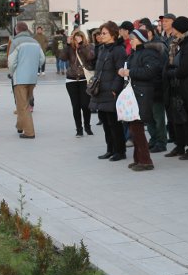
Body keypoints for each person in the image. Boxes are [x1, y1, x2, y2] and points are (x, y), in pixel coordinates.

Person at [117, 28, 162, 171]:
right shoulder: (135, 53)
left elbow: (149, 71)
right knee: (134, 128)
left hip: (143, 93)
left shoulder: (149, 53)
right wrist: (123, 71)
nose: (130, 40)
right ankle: (138, 159)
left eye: (133, 38)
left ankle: (146, 161)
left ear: (141, 39)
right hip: (135, 93)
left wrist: (129, 72)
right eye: (130, 38)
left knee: (137, 128)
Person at [163, 16, 188, 160]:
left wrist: (169, 72)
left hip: (187, 88)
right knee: (176, 118)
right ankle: (179, 146)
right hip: (176, 88)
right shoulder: (178, 43)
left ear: (178, 29)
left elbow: (183, 70)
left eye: (173, 27)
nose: (171, 30)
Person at [90, 21, 127, 161]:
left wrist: (114, 89)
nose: (101, 35)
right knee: (105, 122)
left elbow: (120, 72)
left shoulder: (119, 50)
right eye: (101, 33)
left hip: (111, 91)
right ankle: (110, 149)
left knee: (114, 123)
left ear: (113, 34)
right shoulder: (102, 48)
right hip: (100, 90)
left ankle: (120, 151)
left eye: (104, 33)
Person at [8, 22, 45, 139]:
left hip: (20, 78)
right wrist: (34, 67)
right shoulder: (35, 42)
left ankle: (29, 132)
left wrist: (12, 72)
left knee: (23, 106)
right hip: (32, 78)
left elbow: (11, 62)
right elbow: (42, 59)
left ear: (16, 30)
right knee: (23, 103)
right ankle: (20, 125)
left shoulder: (15, 42)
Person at [59, 29, 95, 137]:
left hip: (84, 79)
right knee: (76, 106)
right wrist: (68, 45)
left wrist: (81, 46)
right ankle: (79, 129)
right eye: (75, 39)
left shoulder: (88, 47)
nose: (76, 41)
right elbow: (62, 57)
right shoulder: (70, 48)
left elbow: (90, 57)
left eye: (79, 39)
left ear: (83, 38)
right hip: (71, 80)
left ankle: (87, 126)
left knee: (85, 105)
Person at [141, 20, 168, 153]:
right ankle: (154, 139)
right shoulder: (143, 47)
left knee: (158, 117)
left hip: (156, 87)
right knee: (149, 117)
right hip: (145, 87)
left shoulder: (159, 46)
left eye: (143, 31)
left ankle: (161, 141)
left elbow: (162, 68)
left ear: (150, 33)